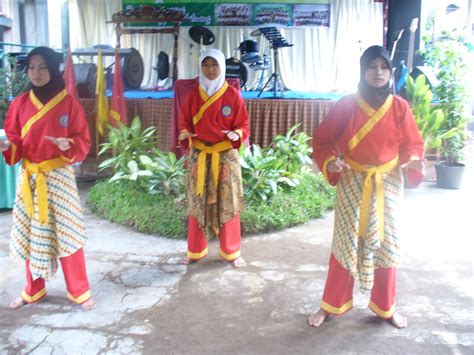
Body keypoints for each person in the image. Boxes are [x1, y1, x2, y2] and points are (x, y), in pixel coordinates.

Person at [308, 45, 423, 328]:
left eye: (384, 67)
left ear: (390, 71)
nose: (378, 73)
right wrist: (331, 162)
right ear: (363, 71)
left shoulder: (399, 107)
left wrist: (412, 161)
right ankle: (331, 304)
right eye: (372, 67)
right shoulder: (347, 104)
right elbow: (321, 141)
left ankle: (386, 307)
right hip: (352, 182)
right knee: (345, 245)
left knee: (387, 246)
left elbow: (412, 145)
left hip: (388, 184)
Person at [0, 46, 96, 310]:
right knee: (33, 234)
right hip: (31, 178)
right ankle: (34, 290)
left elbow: (82, 141)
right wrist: (8, 147)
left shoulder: (69, 103)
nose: (36, 73)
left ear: (54, 69)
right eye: (31, 67)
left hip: (59, 176)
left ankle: (79, 290)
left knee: (68, 234)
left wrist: (68, 145)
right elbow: (15, 140)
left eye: (42, 67)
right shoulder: (19, 103)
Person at [178, 48, 250, 268]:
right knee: (197, 204)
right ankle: (195, 251)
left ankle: (231, 252)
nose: (210, 70)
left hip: (225, 156)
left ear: (222, 67)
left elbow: (243, 125)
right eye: (206, 65)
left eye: (214, 65)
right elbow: (184, 123)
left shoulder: (232, 95)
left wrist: (236, 134)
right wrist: (185, 134)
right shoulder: (192, 95)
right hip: (200, 156)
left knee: (229, 204)